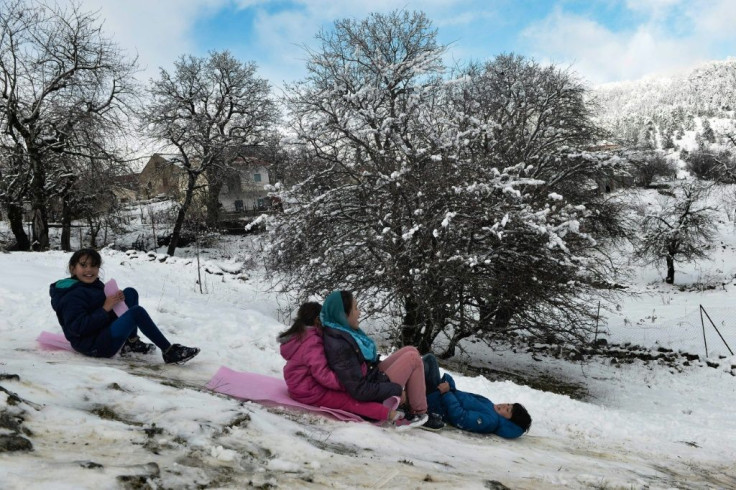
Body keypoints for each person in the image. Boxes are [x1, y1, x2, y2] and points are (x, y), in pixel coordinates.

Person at [49, 248, 200, 364]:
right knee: (136, 313)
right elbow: (77, 328)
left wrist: (115, 299)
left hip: (100, 331)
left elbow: (98, 305)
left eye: (94, 266)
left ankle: (132, 343)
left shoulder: (92, 284)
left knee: (130, 293)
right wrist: (105, 308)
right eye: (83, 265)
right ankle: (169, 352)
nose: (89, 270)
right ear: (72, 268)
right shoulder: (71, 296)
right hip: (92, 345)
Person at [321, 290, 444, 430]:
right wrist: (396, 389)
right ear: (342, 314)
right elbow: (359, 390)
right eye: (355, 308)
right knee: (413, 359)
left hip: (372, 378)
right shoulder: (339, 345)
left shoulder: (343, 333)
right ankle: (418, 413)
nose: (359, 312)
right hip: (370, 394)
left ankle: (413, 403)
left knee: (411, 350)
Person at [278, 302, 402, 423]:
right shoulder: (312, 341)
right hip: (309, 391)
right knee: (347, 400)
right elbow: (323, 374)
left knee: (349, 394)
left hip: (298, 385)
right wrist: (346, 383)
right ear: (317, 320)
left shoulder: (300, 336)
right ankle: (389, 414)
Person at [423, 353, 531, 438]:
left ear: (507, 421)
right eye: (508, 404)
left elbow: (460, 418)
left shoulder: (490, 421)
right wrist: (449, 388)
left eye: (507, 411)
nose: (504, 406)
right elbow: (462, 398)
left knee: (429, 361)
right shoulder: (489, 406)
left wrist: (446, 393)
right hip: (439, 396)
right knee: (424, 361)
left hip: (435, 403)